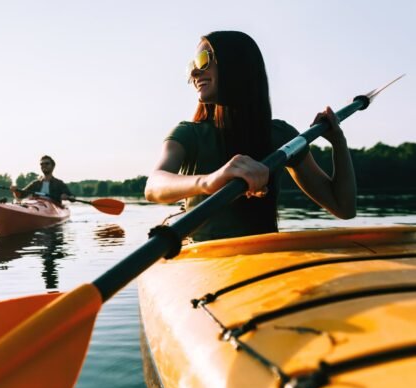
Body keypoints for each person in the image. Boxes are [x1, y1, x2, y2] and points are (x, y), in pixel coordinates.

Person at [144, 31, 356, 242]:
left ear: (237, 65)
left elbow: (344, 208)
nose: (195, 74)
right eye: (192, 67)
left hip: (264, 257)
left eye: (203, 61)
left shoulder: (281, 136)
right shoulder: (189, 133)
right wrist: (209, 181)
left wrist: (338, 142)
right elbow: (153, 187)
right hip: (202, 260)